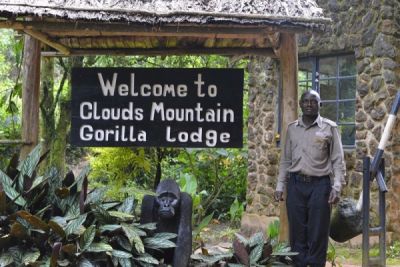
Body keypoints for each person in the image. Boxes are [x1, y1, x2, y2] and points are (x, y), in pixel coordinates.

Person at [274, 90, 345, 267]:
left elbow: (338, 160)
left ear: (320, 105)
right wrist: (280, 185)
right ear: (300, 104)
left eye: (314, 101)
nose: (309, 104)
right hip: (296, 185)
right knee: (297, 233)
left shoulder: (329, 128)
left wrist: (337, 186)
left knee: (317, 233)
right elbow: (285, 160)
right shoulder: (292, 129)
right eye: (305, 101)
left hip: (320, 186)